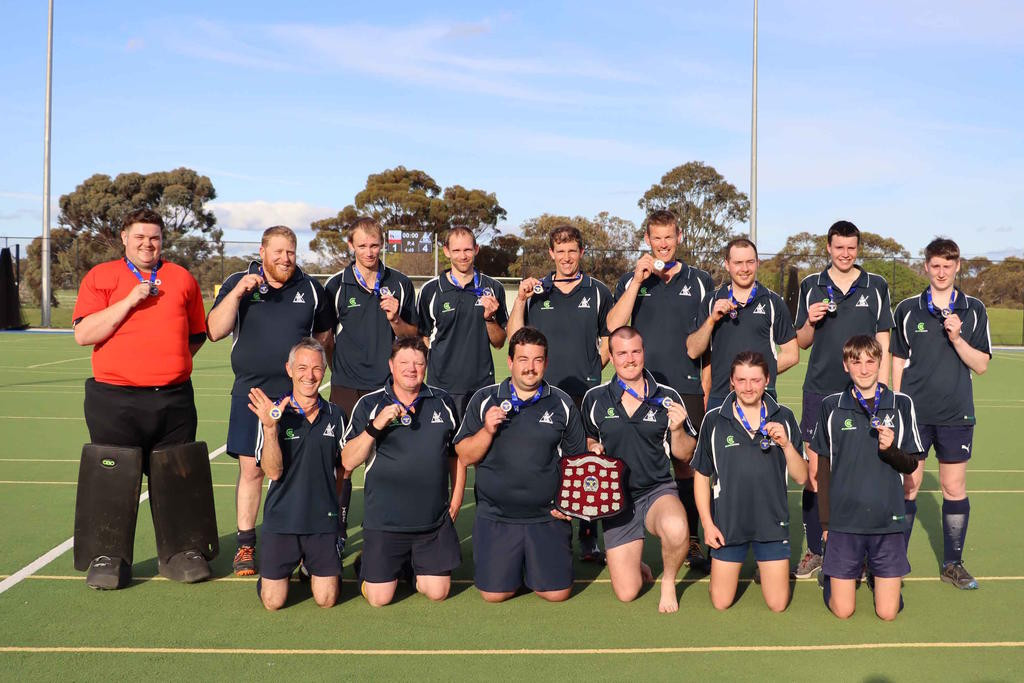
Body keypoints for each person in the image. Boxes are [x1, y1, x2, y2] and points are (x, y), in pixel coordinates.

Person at [71, 208, 213, 589]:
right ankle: (109, 557)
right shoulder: (101, 277)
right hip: (114, 398)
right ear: (124, 238)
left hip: (173, 398)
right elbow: (85, 334)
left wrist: (168, 365)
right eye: (140, 237)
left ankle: (182, 552)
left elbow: (196, 336)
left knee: (178, 473)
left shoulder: (182, 279)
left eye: (155, 237)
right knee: (113, 476)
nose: (148, 244)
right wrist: (130, 300)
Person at [206, 226, 334, 576]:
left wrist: (313, 376)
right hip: (251, 392)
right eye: (277, 251)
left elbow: (324, 335)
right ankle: (246, 543)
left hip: (298, 395)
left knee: (297, 470)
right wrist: (236, 295)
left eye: (290, 252)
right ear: (262, 251)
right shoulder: (239, 282)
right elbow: (215, 331)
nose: (284, 258)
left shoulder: (310, 288)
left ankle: (304, 541)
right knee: (252, 469)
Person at [607, 210, 715, 571]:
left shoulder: (700, 281)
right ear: (647, 240)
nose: (663, 244)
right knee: (627, 460)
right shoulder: (631, 280)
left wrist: (706, 383)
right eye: (657, 238)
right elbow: (613, 326)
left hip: (685, 388)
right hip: (640, 388)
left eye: (669, 237)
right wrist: (637, 282)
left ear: (679, 237)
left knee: (687, 463)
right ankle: (615, 534)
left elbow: (706, 341)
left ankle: (693, 538)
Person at [792, 220, 895, 580]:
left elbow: (883, 341)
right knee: (814, 475)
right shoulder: (811, 285)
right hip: (820, 392)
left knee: (860, 472)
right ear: (828, 248)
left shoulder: (876, 285)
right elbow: (802, 341)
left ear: (858, 248)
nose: (845, 253)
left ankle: (863, 553)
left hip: (865, 394)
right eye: (839, 247)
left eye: (851, 248)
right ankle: (815, 550)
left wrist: (884, 396)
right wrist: (809, 320)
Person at [454, 327, 586, 603]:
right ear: (510, 362)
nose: (530, 367)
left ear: (546, 363)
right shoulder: (484, 399)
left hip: (546, 516)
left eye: (537, 360)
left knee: (556, 594)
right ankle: (517, 564)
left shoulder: (561, 403)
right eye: (523, 359)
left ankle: (533, 563)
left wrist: (569, 505)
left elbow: (577, 461)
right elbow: (464, 456)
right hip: (497, 516)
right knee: (494, 595)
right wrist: (487, 431)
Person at [506, 223, 612, 563]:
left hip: (584, 393)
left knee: (585, 462)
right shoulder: (538, 290)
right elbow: (515, 335)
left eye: (572, 251)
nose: (566, 258)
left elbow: (608, 338)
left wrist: (594, 370)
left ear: (581, 253)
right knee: (547, 459)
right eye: (560, 251)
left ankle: (588, 534)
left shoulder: (598, 292)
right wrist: (521, 298)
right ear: (551, 254)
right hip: (544, 394)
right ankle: (550, 525)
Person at [891, 238, 991, 590]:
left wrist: (958, 339)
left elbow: (981, 366)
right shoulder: (907, 309)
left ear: (957, 267)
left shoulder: (974, 309)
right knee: (908, 485)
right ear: (926, 267)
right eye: (935, 265)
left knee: (952, 486)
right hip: (915, 416)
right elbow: (897, 362)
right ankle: (893, 564)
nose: (941, 271)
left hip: (955, 414)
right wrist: (896, 406)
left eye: (948, 265)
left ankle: (953, 563)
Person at [581, 326, 698, 613]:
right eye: (622, 353)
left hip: (657, 490)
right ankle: (636, 561)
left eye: (635, 351)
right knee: (627, 592)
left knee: (677, 527)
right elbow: (585, 437)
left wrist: (679, 428)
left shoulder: (667, 397)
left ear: (644, 352)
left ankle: (669, 580)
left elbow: (684, 455)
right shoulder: (595, 398)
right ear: (611, 356)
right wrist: (592, 446)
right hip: (615, 499)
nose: (630, 359)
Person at [342, 336, 465, 606]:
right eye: (404, 363)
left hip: (430, 523)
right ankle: (369, 561)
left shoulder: (442, 401)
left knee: (438, 592)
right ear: (391, 365)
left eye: (419, 363)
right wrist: (376, 425)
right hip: (386, 523)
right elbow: (348, 461)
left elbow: (456, 456)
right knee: (379, 598)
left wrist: (456, 500)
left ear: (426, 366)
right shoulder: (369, 405)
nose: (412, 369)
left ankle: (410, 564)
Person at [323, 217, 418, 563]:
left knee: (390, 462)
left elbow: (413, 337)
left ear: (383, 245)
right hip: (347, 388)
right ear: (350, 246)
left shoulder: (402, 284)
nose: (368, 251)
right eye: (361, 245)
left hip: (388, 389)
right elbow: (326, 340)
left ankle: (390, 533)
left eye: (374, 245)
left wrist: (395, 319)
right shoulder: (335, 286)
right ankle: (336, 531)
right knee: (343, 464)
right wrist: (341, 372)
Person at [813, 335, 921, 620]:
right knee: (843, 610)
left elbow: (910, 465)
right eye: (856, 362)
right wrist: (826, 523)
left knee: (887, 613)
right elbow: (822, 470)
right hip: (845, 522)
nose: (863, 369)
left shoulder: (901, 404)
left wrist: (890, 450)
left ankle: (874, 570)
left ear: (880, 363)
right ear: (845, 365)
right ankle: (832, 577)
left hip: (886, 521)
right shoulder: (830, 406)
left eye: (870, 361)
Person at [692, 352, 808, 612]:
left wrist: (787, 445)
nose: (748, 387)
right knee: (721, 602)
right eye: (741, 380)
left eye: (755, 380)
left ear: (767, 379)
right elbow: (702, 475)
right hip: (729, 523)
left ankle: (766, 566)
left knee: (778, 605)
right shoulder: (714, 420)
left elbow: (802, 476)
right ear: (731, 381)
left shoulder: (784, 416)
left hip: (771, 522)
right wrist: (708, 524)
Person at [248, 338, 343, 610]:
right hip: (283, 521)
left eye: (316, 368)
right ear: (289, 369)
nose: (309, 375)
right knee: (273, 602)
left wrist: (334, 512)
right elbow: (273, 472)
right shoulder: (272, 414)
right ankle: (275, 574)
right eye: (301, 368)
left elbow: (343, 470)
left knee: (326, 600)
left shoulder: (335, 415)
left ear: (324, 371)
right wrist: (269, 428)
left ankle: (309, 565)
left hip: (321, 522)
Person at [686, 237, 798, 412]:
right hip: (721, 397)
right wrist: (711, 320)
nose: (744, 269)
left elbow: (792, 354)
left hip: (763, 397)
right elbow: (693, 350)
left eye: (750, 262)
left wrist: (754, 377)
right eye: (738, 262)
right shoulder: (711, 301)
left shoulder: (773, 302)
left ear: (758, 263)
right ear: (727, 264)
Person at [417, 226, 508, 422]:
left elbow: (499, 342)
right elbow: (422, 336)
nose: (463, 256)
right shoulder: (430, 290)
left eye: (467, 250)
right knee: (443, 447)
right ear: (446, 252)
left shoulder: (493, 288)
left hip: (481, 386)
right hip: (441, 387)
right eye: (456, 250)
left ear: (476, 249)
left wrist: (489, 318)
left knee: (480, 446)